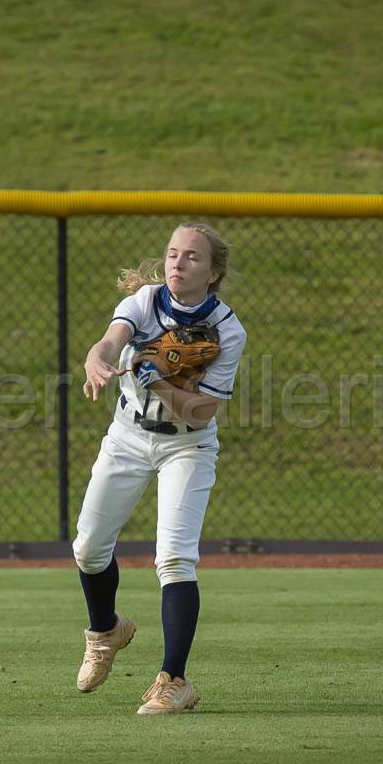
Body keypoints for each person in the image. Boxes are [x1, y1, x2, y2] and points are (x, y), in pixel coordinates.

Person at [73, 222, 247, 715]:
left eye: (192, 257)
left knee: (174, 559)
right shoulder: (145, 302)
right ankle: (106, 631)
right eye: (172, 254)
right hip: (127, 437)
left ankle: (175, 680)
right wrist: (96, 361)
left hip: (187, 447)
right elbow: (110, 342)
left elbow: (201, 412)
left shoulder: (228, 330)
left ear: (212, 272)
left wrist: (157, 381)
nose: (177, 263)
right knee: (88, 548)